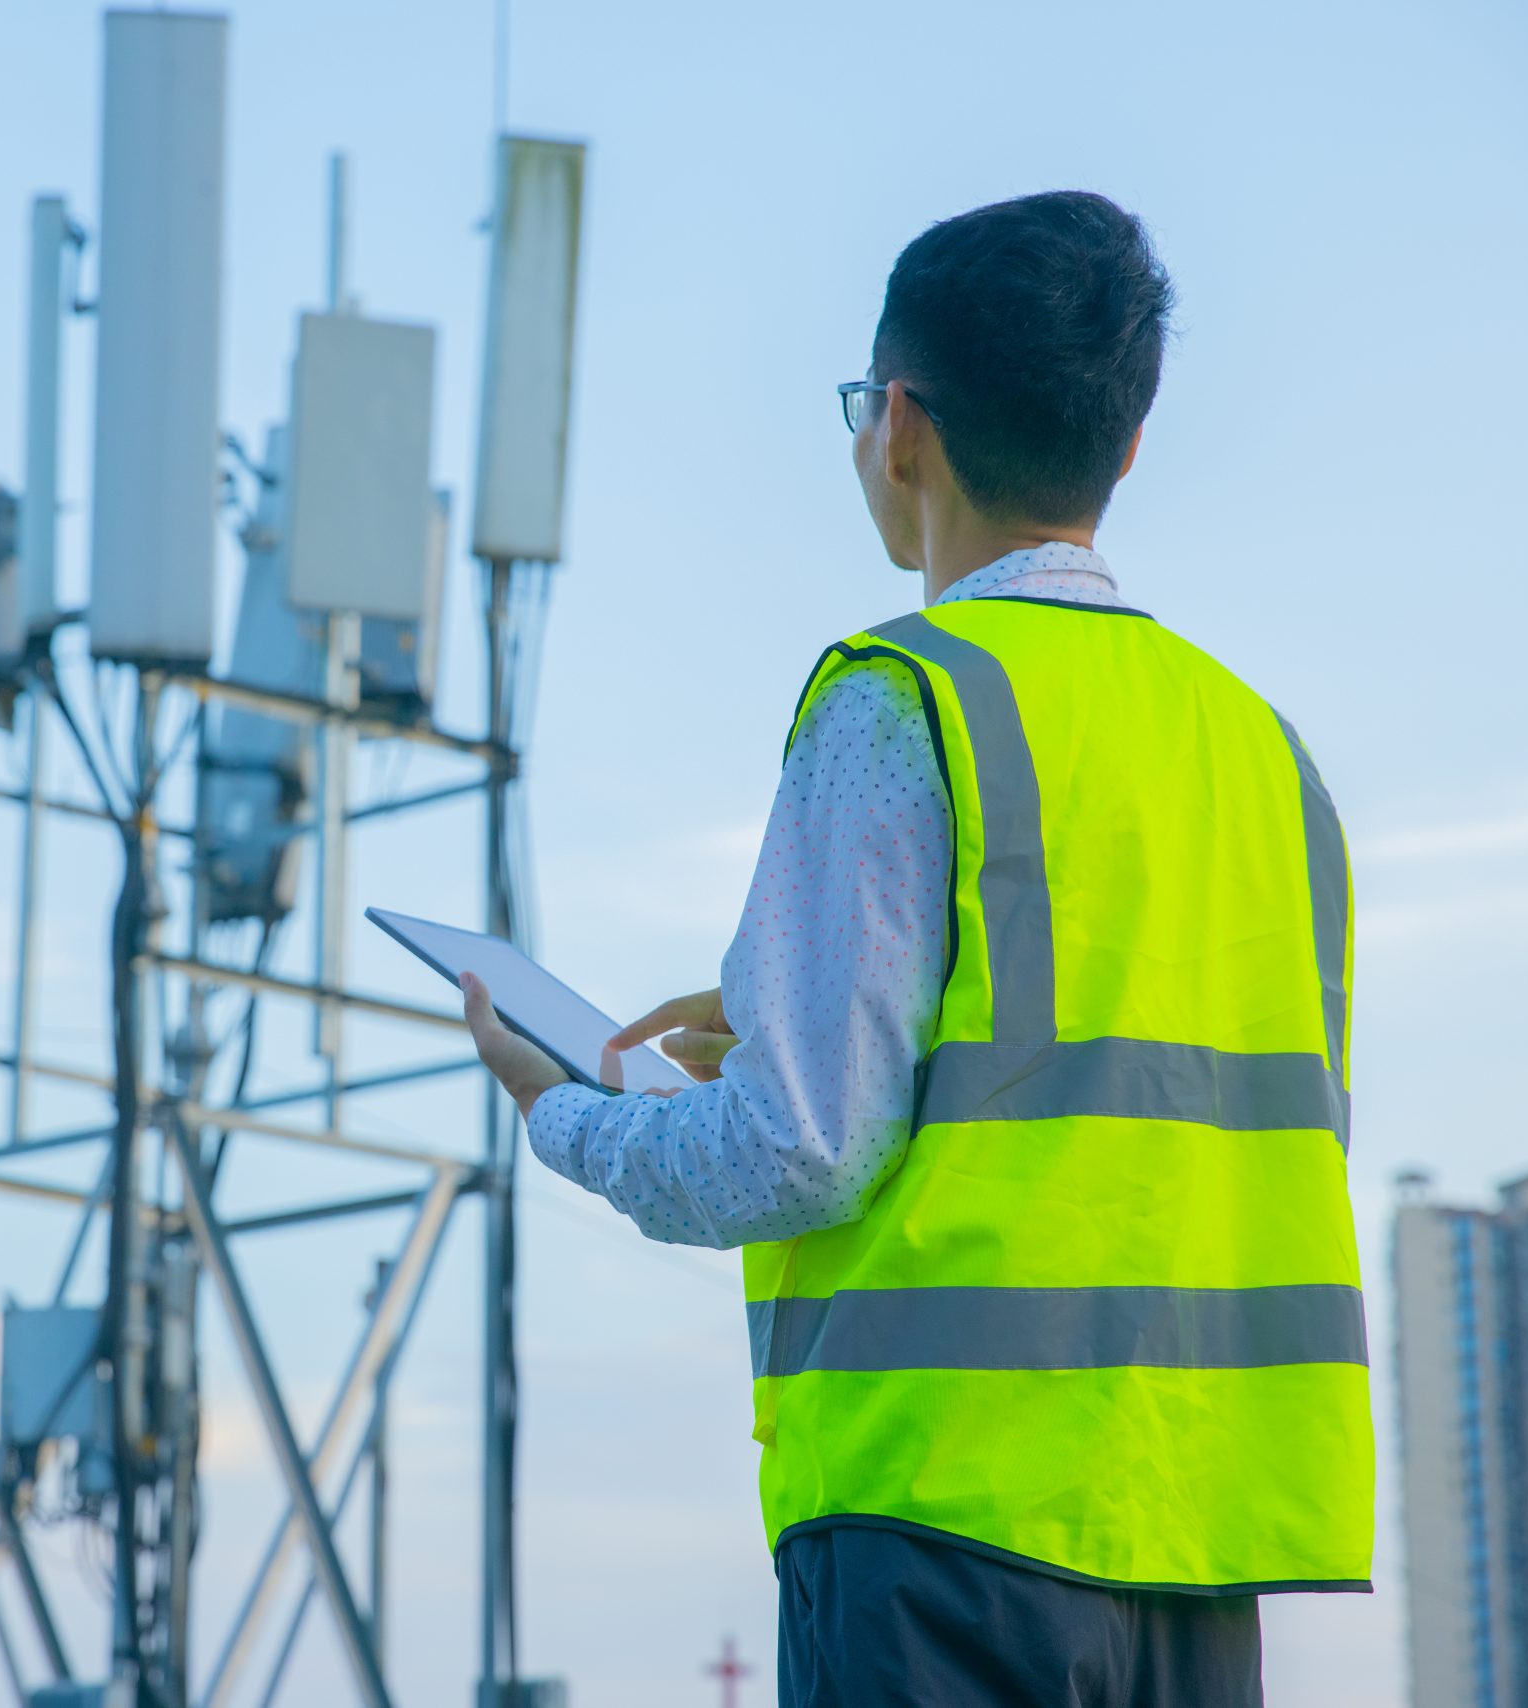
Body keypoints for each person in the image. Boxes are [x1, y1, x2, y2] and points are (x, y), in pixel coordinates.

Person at [460, 191, 1370, 1708]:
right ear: (1124, 447)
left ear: (898, 424)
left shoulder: (904, 698)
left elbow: (798, 1157)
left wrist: (567, 1112)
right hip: (1199, 1547)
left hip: (939, 1536)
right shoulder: (1265, 754)